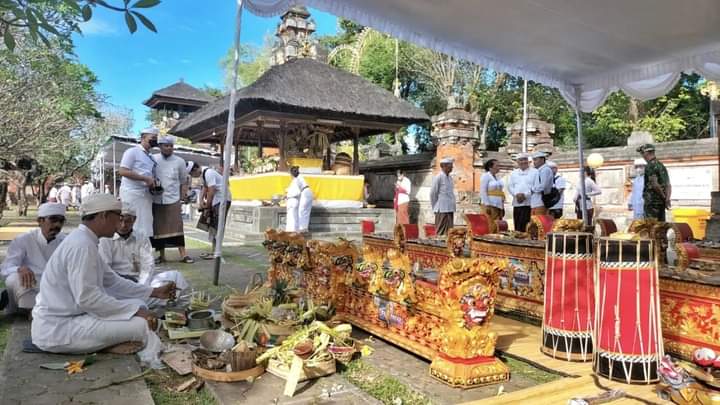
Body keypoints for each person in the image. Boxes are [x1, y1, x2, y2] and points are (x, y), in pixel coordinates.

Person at [31, 193, 175, 355]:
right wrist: (134, 311)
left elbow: (112, 281)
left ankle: (105, 342)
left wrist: (153, 292)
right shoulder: (82, 246)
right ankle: (105, 345)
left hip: (74, 318)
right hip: (58, 328)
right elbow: (88, 299)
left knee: (139, 305)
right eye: (118, 217)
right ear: (104, 216)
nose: (120, 223)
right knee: (142, 325)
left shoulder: (86, 241)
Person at [99, 204, 188, 305]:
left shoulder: (141, 237)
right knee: (110, 295)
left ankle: (137, 303)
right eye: (120, 220)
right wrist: (134, 289)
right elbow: (106, 271)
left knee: (176, 276)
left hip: (140, 283)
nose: (123, 225)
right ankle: (141, 303)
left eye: (128, 221)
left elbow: (148, 266)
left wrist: (141, 287)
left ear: (134, 220)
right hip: (118, 286)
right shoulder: (105, 239)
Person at [0, 203, 67, 315]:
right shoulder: (23, 240)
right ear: (40, 221)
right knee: (14, 278)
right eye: (53, 220)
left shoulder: (66, 241)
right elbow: (5, 268)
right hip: (30, 284)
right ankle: (30, 310)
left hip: (55, 286)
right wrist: (20, 269)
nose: (57, 225)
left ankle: (38, 311)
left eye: (61, 221)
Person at [151, 135, 192, 264]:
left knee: (177, 227)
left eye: (171, 146)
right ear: (160, 147)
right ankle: (162, 256)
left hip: (173, 198)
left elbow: (183, 181)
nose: (169, 148)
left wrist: (182, 197)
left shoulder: (179, 161)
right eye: (166, 145)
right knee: (159, 228)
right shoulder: (153, 159)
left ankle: (184, 255)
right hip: (156, 199)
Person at [118, 127, 160, 239]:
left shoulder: (150, 157)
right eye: (152, 138)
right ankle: (131, 253)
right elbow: (122, 171)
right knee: (132, 223)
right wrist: (145, 179)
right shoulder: (132, 152)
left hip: (145, 195)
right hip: (132, 194)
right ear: (143, 138)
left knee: (146, 225)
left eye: (156, 138)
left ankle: (144, 253)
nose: (155, 140)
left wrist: (152, 183)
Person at [189, 163, 232, 259]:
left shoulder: (208, 173)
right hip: (217, 200)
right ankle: (213, 250)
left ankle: (216, 252)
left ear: (195, 169)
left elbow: (211, 191)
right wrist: (201, 202)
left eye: (191, 174)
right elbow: (205, 188)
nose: (193, 176)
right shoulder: (205, 174)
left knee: (217, 225)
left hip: (222, 200)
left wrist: (207, 206)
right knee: (212, 225)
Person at [637, 144, 671, 222]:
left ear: (646, 153)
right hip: (661, 203)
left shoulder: (650, 166)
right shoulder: (661, 165)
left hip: (652, 202)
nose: (642, 156)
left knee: (651, 226)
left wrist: (663, 197)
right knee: (661, 225)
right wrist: (667, 199)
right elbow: (668, 184)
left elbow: (655, 184)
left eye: (642, 153)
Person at [507, 153, 536, 231]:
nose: (523, 162)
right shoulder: (513, 173)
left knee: (528, 225)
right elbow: (510, 186)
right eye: (521, 160)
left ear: (528, 161)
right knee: (517, 224)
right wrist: (516, 195)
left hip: (530, 203)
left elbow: (535, 186)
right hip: (517, 202)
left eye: (524, 160)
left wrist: (525, 195)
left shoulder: (535, 172)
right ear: (517, 162)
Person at [430, 157, 456, 236]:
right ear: (444, 166)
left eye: (451, 165)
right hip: (441, 208)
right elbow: (433, 193)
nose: (452, 167)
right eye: (450, 165)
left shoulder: (450, 178)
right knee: (440, 231)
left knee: (450, 230)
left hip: (450, 207)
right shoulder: (438, 177)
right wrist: (435, 207)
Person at [285, 166, 313, 232]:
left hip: (305, 192)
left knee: (302, 210)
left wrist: (287, 195)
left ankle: (303, 228)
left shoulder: (297, 179)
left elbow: (296, 192)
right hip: (307, 192)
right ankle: (304, 227)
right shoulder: (300, 177)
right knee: (305, 210)